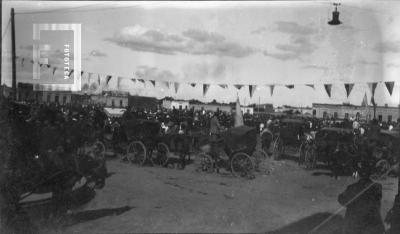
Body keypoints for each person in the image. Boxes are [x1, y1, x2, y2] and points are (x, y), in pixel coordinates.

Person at [338, 160, 385, 234]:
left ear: (359, 174)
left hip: (355, 227)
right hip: (373, 227)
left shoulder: (352, 188)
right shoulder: (378, 187)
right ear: (370, 174)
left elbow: (341, 199)